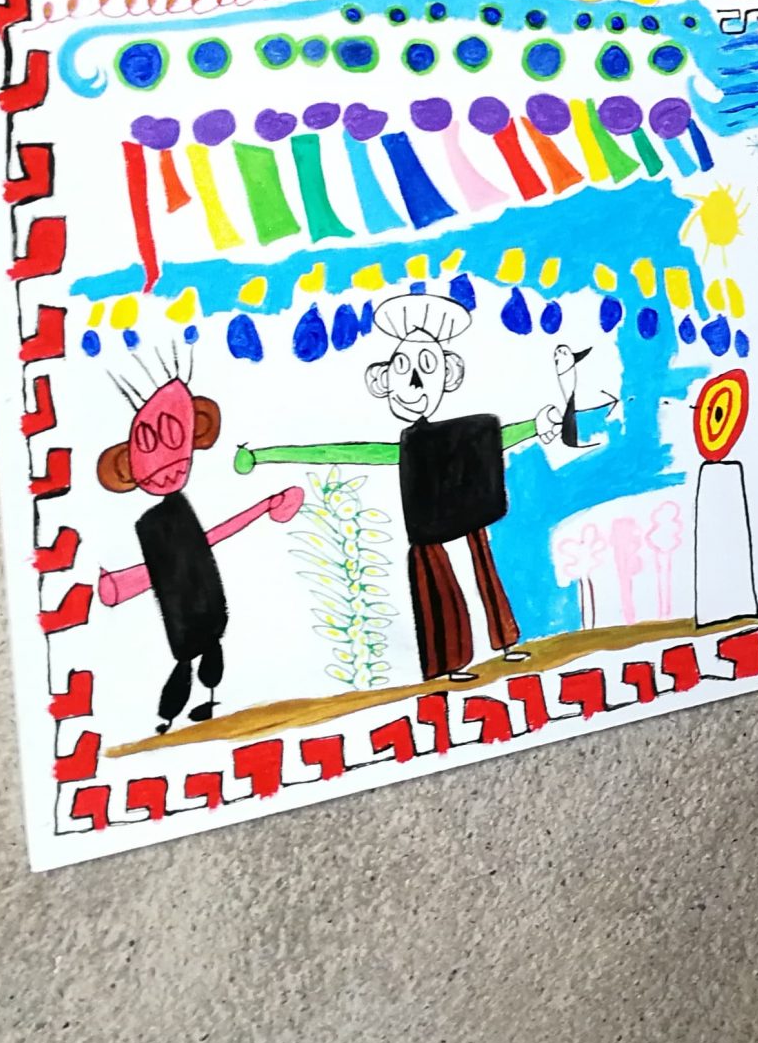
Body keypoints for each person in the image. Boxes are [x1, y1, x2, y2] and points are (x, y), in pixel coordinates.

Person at [237, 287, 560, 683]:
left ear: (450, 373)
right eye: (402, 366)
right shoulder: (408, 446)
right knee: (440, 589)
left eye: (427, 365)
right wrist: (266, 455)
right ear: (382, 379)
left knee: (480, 572)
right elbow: (344, 452)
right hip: (429, 531)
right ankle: (451, 665)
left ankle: (504, 645)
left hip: (465, 523)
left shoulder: (468, 434)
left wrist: (537, 425)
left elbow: (502, 437)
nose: (415, 381)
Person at [94, 361, 303, 732]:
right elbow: (160, 569)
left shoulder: (177, 512)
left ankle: (205, 703)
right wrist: (121, 584)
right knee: (189, 656)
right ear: (125, 466)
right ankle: (169, 716)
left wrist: (263, 507)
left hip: (204, 602)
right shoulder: (153, 524)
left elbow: (214, 537)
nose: (169, 467)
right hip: (184, 608)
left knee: (208, 647)